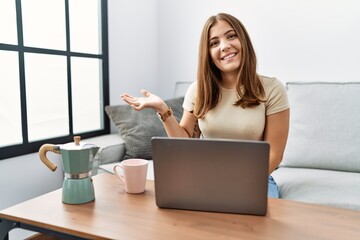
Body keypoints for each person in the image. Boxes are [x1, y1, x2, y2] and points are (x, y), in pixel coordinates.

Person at [121, 13, 290, 198]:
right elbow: (184, 142)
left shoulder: (272, 88)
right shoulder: (198, 90)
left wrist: (239, 183)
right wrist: (162, 109)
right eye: (214, 43)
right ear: (208, 54)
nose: (225, 46)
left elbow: (274, 154)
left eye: (231, 36)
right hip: (205, 176)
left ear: (243, 41)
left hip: (255, 179)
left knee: (251, 224)